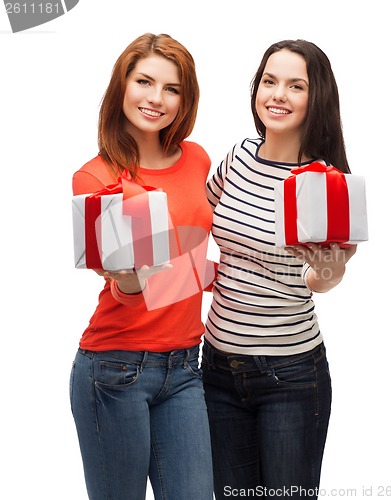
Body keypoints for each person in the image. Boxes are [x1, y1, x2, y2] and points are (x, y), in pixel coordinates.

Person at [202, 39, 358, 499]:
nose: (278, 95)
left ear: (317, 98)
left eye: (295, 85)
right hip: (216, 369)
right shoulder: (238, 156)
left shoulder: (324, 182)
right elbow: (196, 228)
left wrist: (330, 270)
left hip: (289, 376)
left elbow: (319, 280)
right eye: (269, 81)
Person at [70, 33, 214, 500]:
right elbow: (122, 290)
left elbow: (190, 256)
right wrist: (130, 281)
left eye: (171, 88)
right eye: (144, 81)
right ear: (123, 85)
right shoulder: (96, 178)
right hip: (114, 369)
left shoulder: (197, 160)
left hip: (185, 365)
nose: (156, 99)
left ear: (184, 98)